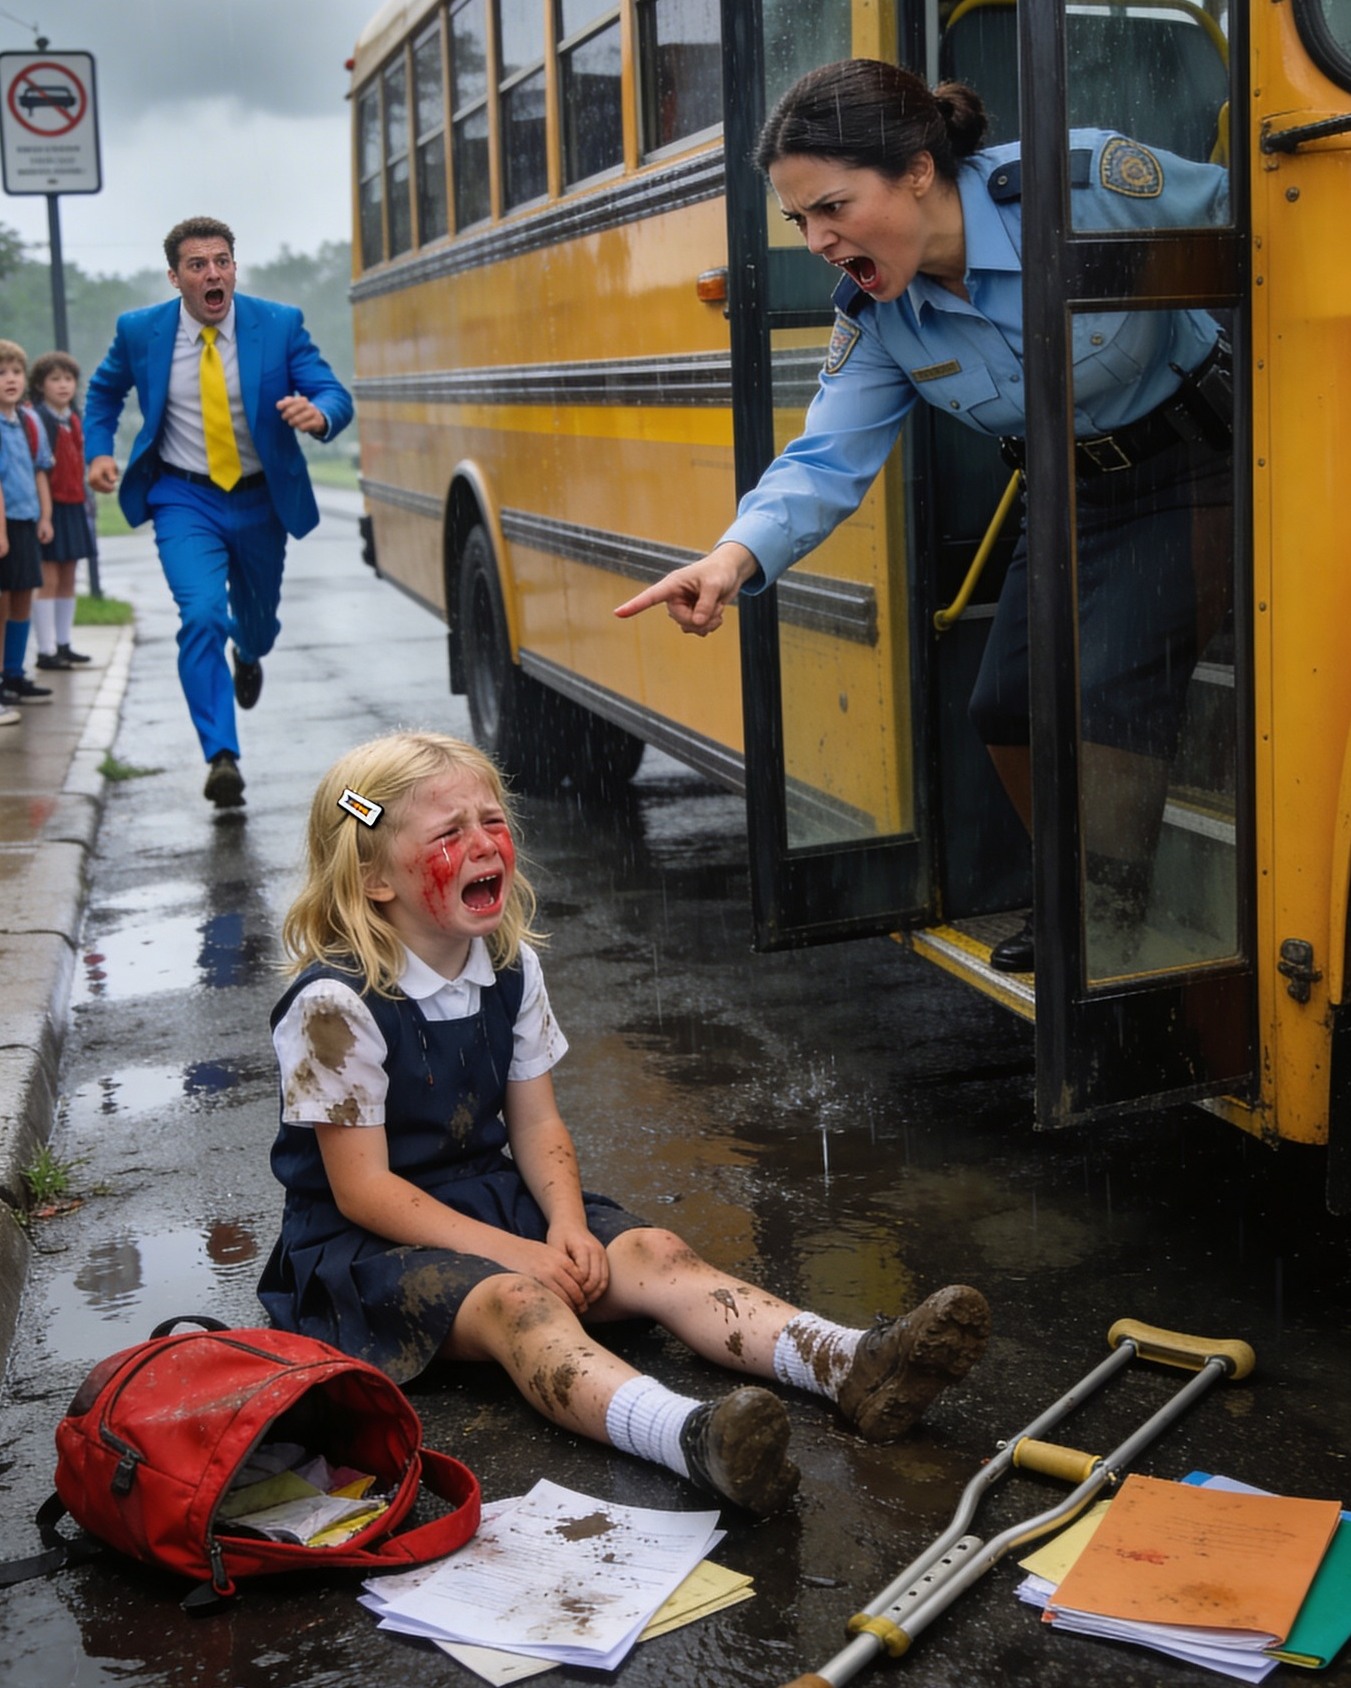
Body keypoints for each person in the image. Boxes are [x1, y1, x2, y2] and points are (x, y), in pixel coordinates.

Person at [256, 730, 991, 1515]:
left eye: (492, 820)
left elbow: (537, 1124)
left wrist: (565, 1226)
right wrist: (521, 1256)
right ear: (373, 879)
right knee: (522, 1305)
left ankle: (849, 1362)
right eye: (448, 833)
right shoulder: (334, 1004)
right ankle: (692, 1439)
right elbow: (365, 1190)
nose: (484, 845)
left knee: (654, 1249)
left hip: (485, 1202)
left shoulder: (509, 966)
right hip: (364, 1249)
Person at [615, 60, 1232, 973]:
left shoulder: (1088, 185)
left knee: (1106, 692)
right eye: (797, 221)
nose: (817, 239)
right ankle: (1084, 884)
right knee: (1005, 704)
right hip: (1072, 492)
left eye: (831, 208)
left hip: (1209, 462)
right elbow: (825, 457)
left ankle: (1103, 922)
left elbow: (1278, 228)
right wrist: (732, 560)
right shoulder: (877, 317)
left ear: (914, 168)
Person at [84, 216, 354, 810]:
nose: (213, 274)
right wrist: (98, 452)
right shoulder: (141, 332)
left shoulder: (278, 325)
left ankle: (251, 652)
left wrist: (320, 414)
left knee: (256, 621)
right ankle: (221, 755)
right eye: (198, 265)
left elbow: (332, 391)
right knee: (202, 613)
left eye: (221, 261)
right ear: (175, 277)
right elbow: (104, 393)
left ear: (235, 267)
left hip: (261, 498)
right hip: (184, 498)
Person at [29, 350, 94, 671]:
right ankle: (45, 648)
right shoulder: (38, 418)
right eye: (55, 379)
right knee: (49, 577)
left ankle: (65, 643)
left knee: (69, 574)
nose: (63, 385)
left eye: (68, 379)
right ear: (40, 385)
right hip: (49, 505)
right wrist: (44, 513)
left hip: (73, 503)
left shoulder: (74, 416)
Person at [0, 338, 55, 711]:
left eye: (16, 372)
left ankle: (14, 673)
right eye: (1, 373)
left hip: (26, 521)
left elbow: (39, 472)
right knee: (2, 602)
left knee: (23, 596)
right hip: (3, 526)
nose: (10, 379)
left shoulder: (28, 421)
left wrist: (45, 516)